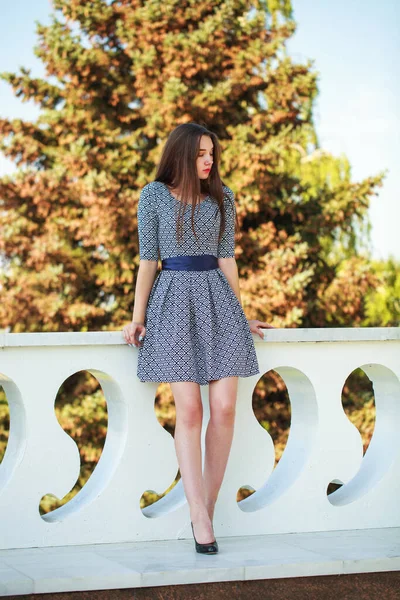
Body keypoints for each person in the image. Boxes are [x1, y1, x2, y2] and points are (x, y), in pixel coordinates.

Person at [123, 122, 273, 554]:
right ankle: (198, 515)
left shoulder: (222, 198)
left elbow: (228, 260)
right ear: (182, 155)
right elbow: (147, 261)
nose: (209, 160)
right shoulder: (152, 195)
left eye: (212, 153)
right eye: (201, 154)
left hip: (219, 303)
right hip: (171, 303)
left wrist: (241, 315)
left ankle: (204, 506)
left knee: (224, 409)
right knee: (188, 411)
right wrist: (137, 318)